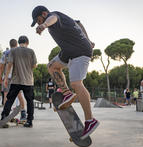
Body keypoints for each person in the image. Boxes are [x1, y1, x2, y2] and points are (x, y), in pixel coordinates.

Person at [31, 6, 99, 139]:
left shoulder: (54, 16)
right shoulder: (64, 19)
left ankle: (90, 120)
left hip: (80, 51)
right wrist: (88, 39)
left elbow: (53, 18)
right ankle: (67, 94)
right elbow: (78, 23)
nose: (38, 23)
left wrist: (44, 25)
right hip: (68, 51)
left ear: (44, 14)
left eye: (38, 20)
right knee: (51, 66)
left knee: (76, 83)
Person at [0, 35, 37, 128]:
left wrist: (5, 79)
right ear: (27, 43)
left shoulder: (13, 51)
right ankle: (29, 121)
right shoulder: (31, 51)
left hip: (16, 80)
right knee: (29, 101)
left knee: (10, 99)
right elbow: (34, 65)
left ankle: (4, 118)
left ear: (18, 42)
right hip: (28, 80)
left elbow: (9, 64)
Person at [0, 39, 27, 121]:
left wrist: (0, 78)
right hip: (18, 77)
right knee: (19, 94)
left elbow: (1, 67)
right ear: (17, 44)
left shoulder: (5, 53)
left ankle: (5, 114)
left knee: (6, 95)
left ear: (10, 45)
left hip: (7, 77)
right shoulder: (21, 53)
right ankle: (23, 114)